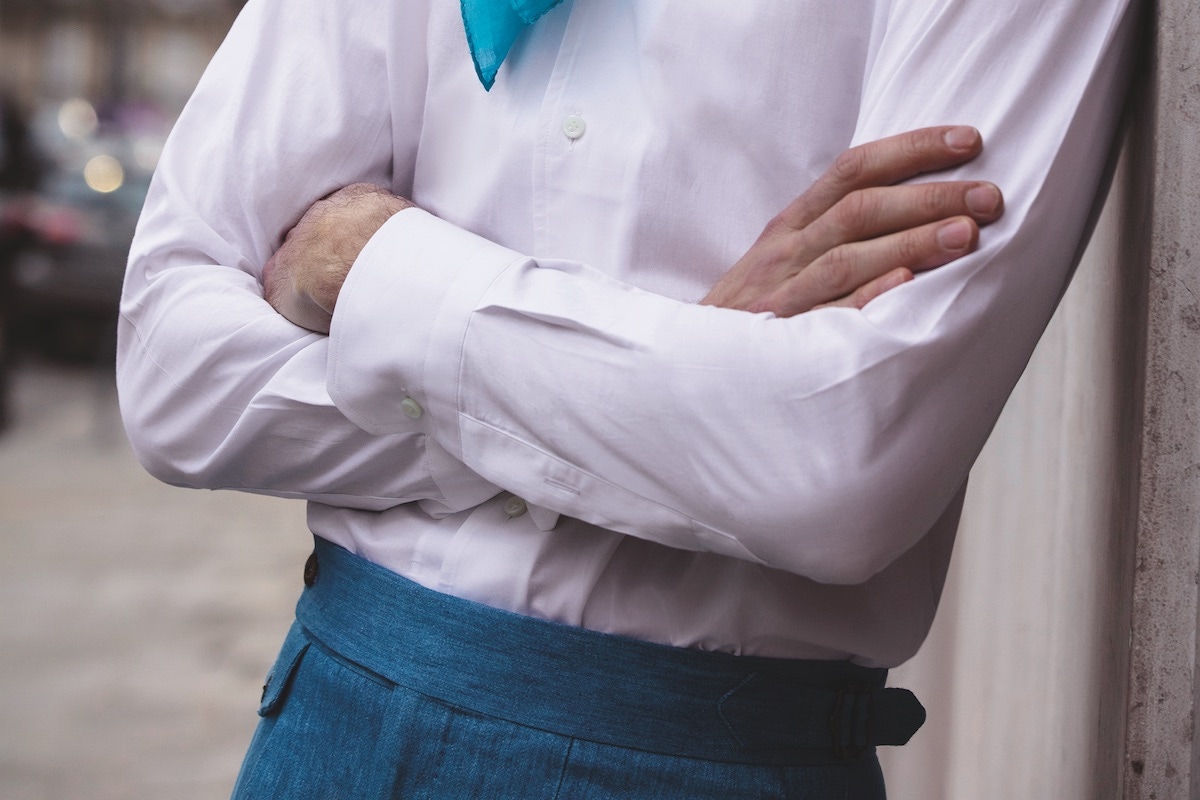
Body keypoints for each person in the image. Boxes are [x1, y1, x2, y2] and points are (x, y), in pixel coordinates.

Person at [116, 0, 1137, 796]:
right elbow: (174, 372)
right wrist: (644, 382)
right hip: (325, 725)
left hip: (701, 760)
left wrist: (376, 271)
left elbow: (838, 468)